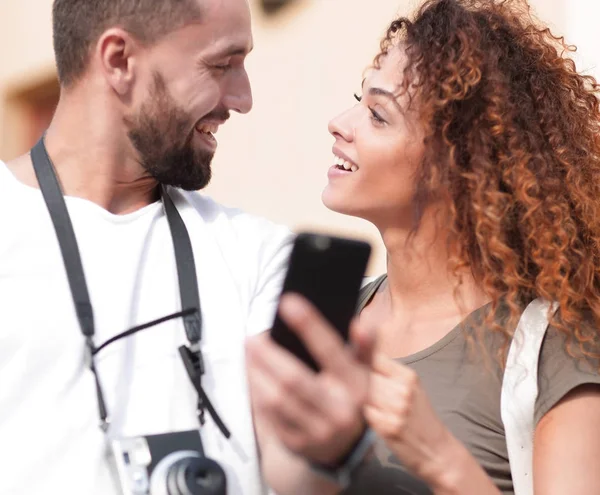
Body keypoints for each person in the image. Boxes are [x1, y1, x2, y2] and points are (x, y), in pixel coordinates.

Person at [247, 0, 600, 493]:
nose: (339, 123)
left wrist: (437, 453)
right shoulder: (330, 326)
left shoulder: (551, 346)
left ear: (458, 167)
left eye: (378, 115)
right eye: (358, 100)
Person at [0, 0, 298, 494]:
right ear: (118, 60)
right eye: (222, 65)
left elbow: (298, 469)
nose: (243, 99)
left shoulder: (262, 255)